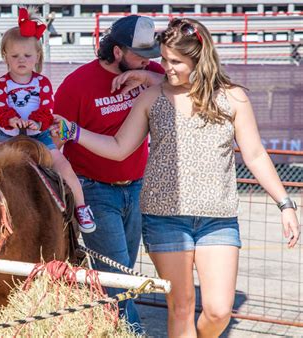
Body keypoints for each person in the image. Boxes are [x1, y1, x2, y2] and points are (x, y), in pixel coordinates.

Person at [52, 18, 301, 337]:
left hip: (218, 219)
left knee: (219, 310)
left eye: (174, 61)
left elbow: (254, 155)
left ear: (199, 60)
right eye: (163, 60)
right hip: (163, 218)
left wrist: (285, 204)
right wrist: (72, 131)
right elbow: (118, 147)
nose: (164, 67)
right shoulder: (152, 96)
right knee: (179, 306)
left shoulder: (233, 98)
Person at [53, 15, 165, 332]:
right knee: (118, 276)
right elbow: (56, 139)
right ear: (117, 51)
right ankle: (133, 332)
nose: (147, 61)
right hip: (94, 190)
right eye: (140, 55)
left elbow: (185, 85)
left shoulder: (148, 73)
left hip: (137, 186)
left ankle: (102, 326)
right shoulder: (77, 84)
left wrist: (145, 76)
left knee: (120, 269)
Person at [0, 7, 96, 233]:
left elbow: (45, 108)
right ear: (5, 57)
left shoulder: (42, 83)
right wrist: (11, 120)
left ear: (37, 57)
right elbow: (0, 109)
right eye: (15, 56)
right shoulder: (2, 84)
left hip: (39, 134)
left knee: (64, 166)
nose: (21, 60)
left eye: (27, 56)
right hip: (8, 134)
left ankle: (81, 207)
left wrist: (35, 122)